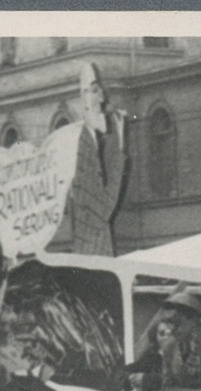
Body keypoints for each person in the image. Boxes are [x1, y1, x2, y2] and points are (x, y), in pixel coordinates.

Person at [68, 63, 127, 256]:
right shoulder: (84, 144)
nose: (96, 98)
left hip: (96, 251)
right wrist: (120, 147)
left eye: (96, 90)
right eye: (88, 91)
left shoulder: (93, 140)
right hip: (94, 254)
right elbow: (104, 208)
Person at [125, 288, 201, 391]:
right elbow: (167, 389)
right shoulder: (171, 348)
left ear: (194, 322)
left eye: (177, 323)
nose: (172, 329)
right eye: (170, 323)